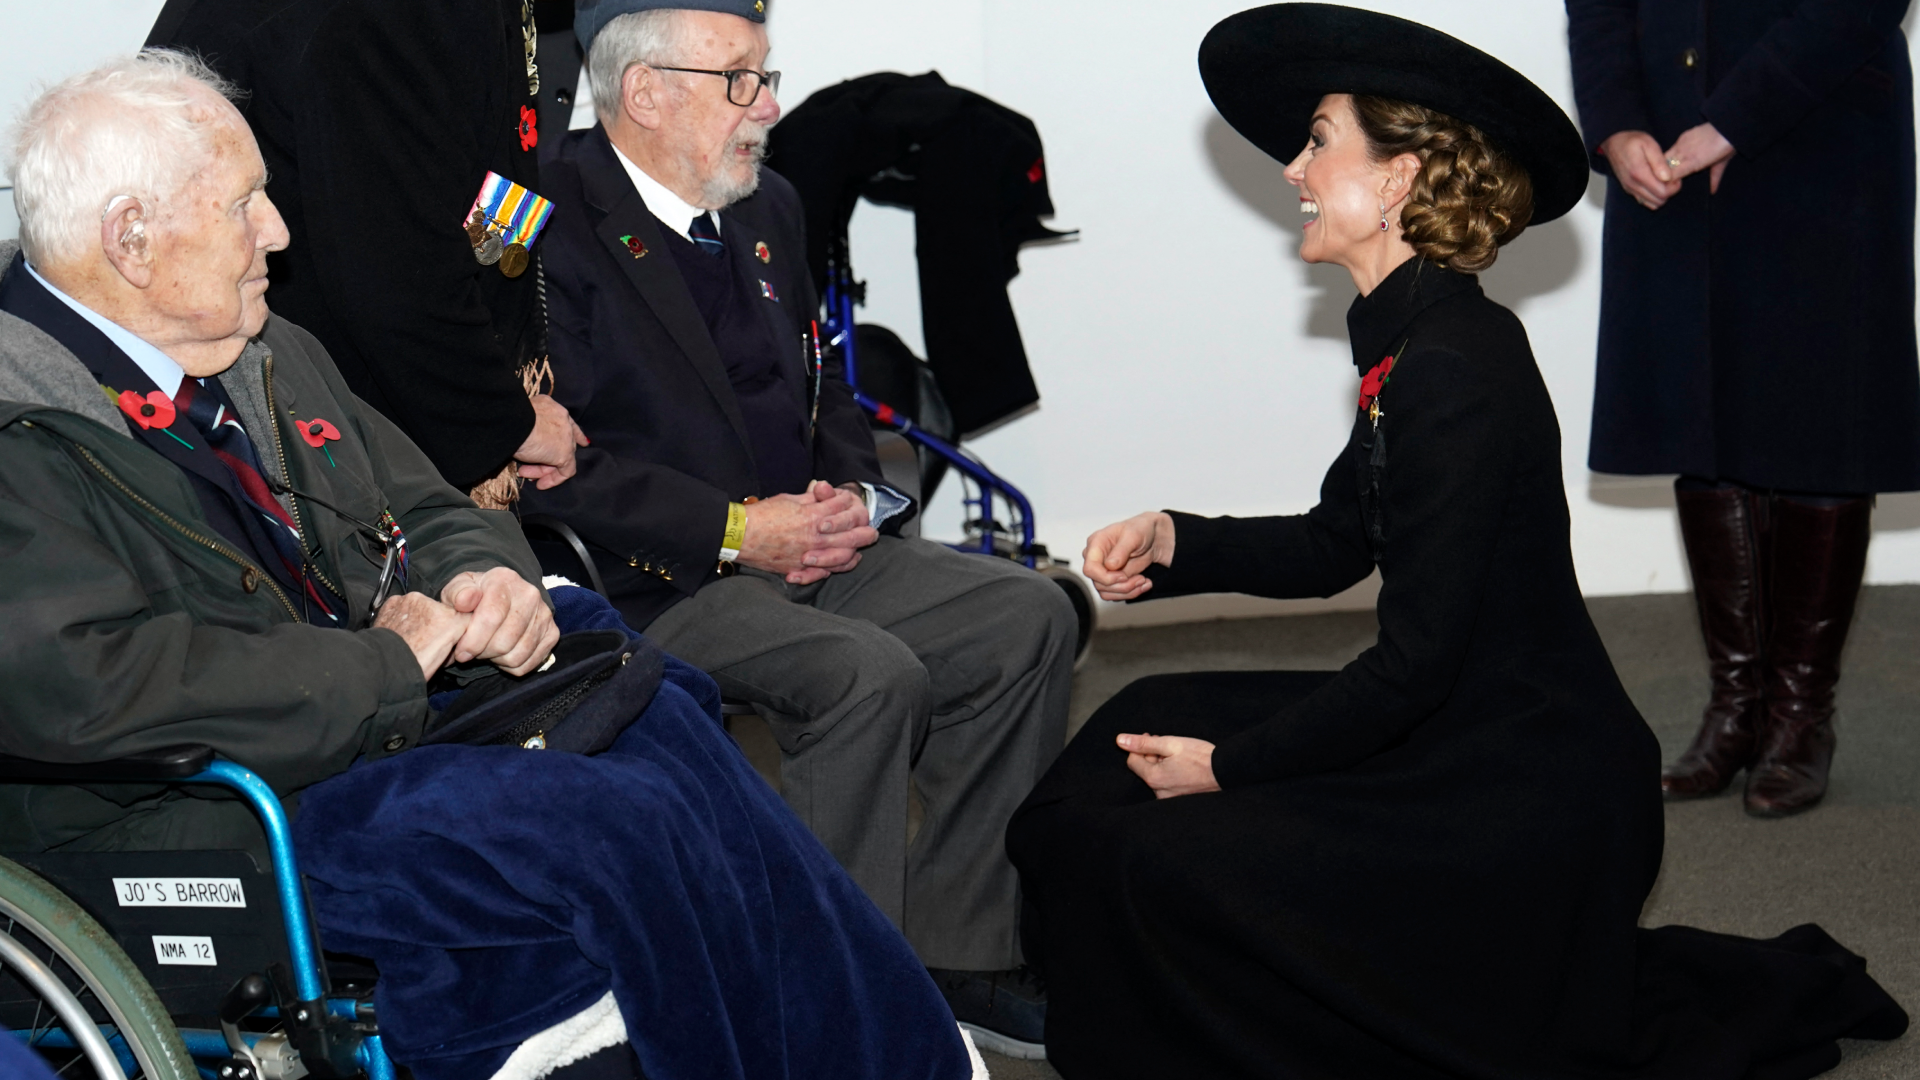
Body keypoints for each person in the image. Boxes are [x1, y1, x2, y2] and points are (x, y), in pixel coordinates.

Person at [0, 51, 977, 1080]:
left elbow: (428, 502)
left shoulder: (263, 346)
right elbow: (85, 687)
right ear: (132, 239)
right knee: (615, 824)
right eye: (246, 205)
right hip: (208, 815)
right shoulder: (25, 429)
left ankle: (878, 1050)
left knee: (661, 709)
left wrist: (483, 578)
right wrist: (386, 664)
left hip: (379, 736)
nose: (278, 234)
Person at [1007, 6, 1908, 1078]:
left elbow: (1414, 665)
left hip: (1526, 779)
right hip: (1463, 721)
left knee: (1160, 846)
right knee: (1138, 716)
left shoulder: (1452, 366)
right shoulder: (1418, 336)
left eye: (1318, 139)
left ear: (1396, 179)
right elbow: (1341, 541)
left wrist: (1232, 769)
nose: (1294, 169)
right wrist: (1177, 541)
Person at [523, 0, 1077, 1057]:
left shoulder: (768, 202)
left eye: (764, 76)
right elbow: (548, 471)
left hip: (803, 547)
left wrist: (850, 500)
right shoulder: (538, 223)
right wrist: (737, 531)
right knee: (864, 676)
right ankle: (823, 991)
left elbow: (822, 387)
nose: (769, 106)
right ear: (645, 91)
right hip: (661, 580)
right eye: (739, 81)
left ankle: (957, 950)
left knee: (1029, 617)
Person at [1566, 0, 1920, 817]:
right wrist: (1616, 124)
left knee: (1821, 416)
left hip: (1822, 125)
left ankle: (1799, 715)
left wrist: (1734, 118)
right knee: (1700, 410)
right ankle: (1736, 708)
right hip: (1665, 141)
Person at [148, 0, 591, 503]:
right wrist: (503, 420)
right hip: (295, 422)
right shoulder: (396, 16)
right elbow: (394, 273)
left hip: (332, 388)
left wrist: (510, 377)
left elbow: (493, 167)